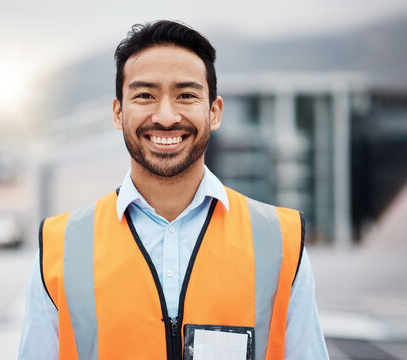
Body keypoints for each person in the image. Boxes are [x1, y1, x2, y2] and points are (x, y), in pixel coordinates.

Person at [18, 20, 329, 360]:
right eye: (145, 95)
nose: (166, 116)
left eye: (186, 95)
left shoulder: (280, 242)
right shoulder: (59, 247)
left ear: (214, 111)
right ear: (118, 112)